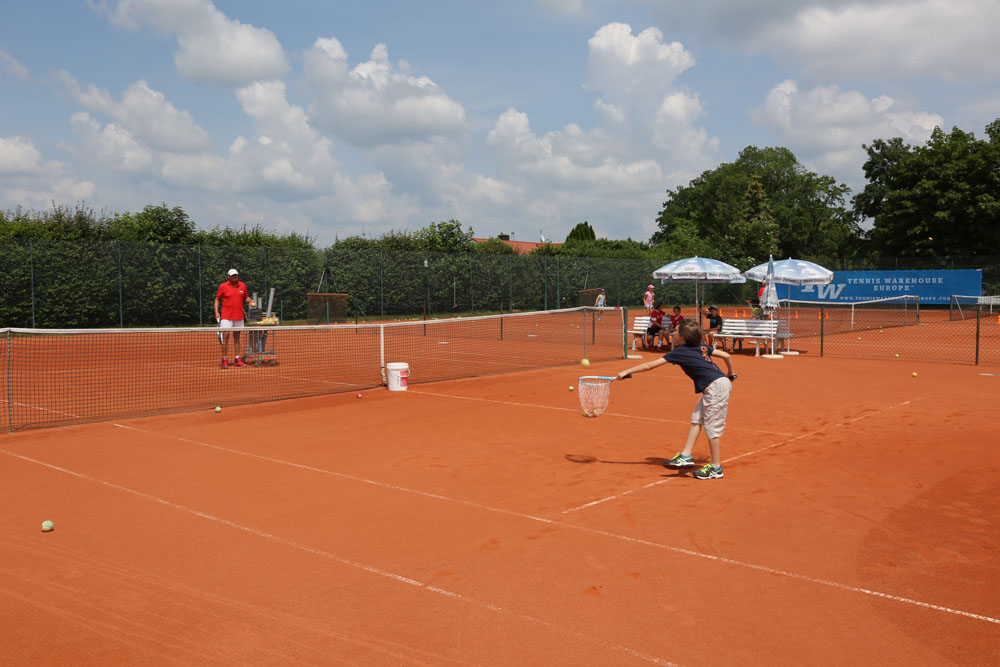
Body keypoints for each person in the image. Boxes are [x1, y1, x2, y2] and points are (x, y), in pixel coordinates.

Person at [617, 318, 736, 479]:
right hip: (716, 384)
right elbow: (726, 355)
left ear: (683, 337)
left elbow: (649, 365)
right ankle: (686, 455)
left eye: (675, 331)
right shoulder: (702, 347)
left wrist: (626, 371)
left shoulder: (680, 352)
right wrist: (731, 373)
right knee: (697, 419)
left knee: (712, 427)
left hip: (715, 387)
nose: (672, 333)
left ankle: (716, 467)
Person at [214, 268, 256, 369]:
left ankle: (237, 359)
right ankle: (224, 360)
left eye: (236, 275)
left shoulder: (243, 285)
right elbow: (217, 299)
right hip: (226, 317)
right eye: (233, 275)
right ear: (228, 276)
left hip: (239, 317)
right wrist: (216, 312)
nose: (235, 277)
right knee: (226, 337)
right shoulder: (223, 286)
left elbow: (245, 297)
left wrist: (251, 301)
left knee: (237, 338)